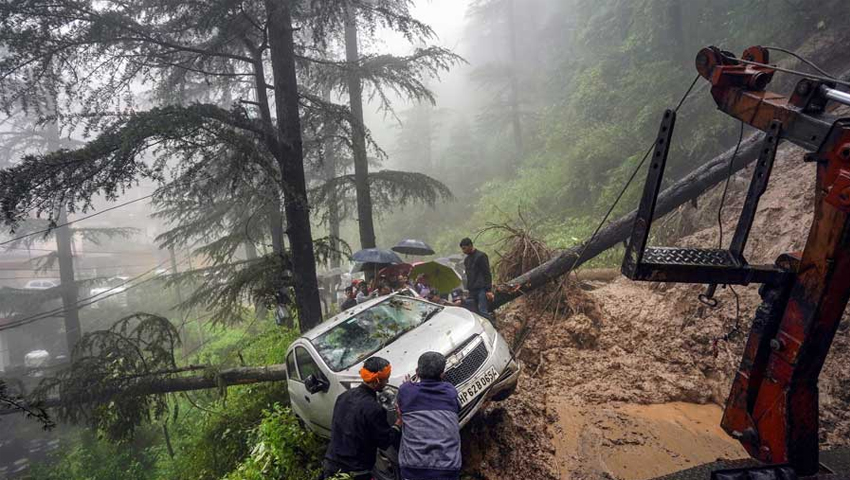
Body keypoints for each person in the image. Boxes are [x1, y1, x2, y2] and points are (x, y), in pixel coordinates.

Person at [322, 357, 401, 480]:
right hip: (356, 472)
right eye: (386, 379)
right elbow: (385, 441)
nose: (387, 381)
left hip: (331, 465)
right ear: (376, 381)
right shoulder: (373, 409)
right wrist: (398, 422)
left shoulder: (343, 396)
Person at [397, 352, 461, 480]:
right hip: (448, 469)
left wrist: (408, 385)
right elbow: (457, 408)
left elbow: (400, 412)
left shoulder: (405, 391)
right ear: (442, 374)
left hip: (413, 470)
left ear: (417, 371)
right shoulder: (449, 391)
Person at [460, 237, 493, 318]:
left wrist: (489, 290)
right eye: (462, 249)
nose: (463, 251)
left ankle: (492, 328)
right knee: (475, 313)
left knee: (483, 311)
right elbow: (468, 275)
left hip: (481, 289)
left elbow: (487, 273)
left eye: (464, 248)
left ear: (470, 245)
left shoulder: (481, 256)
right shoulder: (466, 260)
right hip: (472, 290)